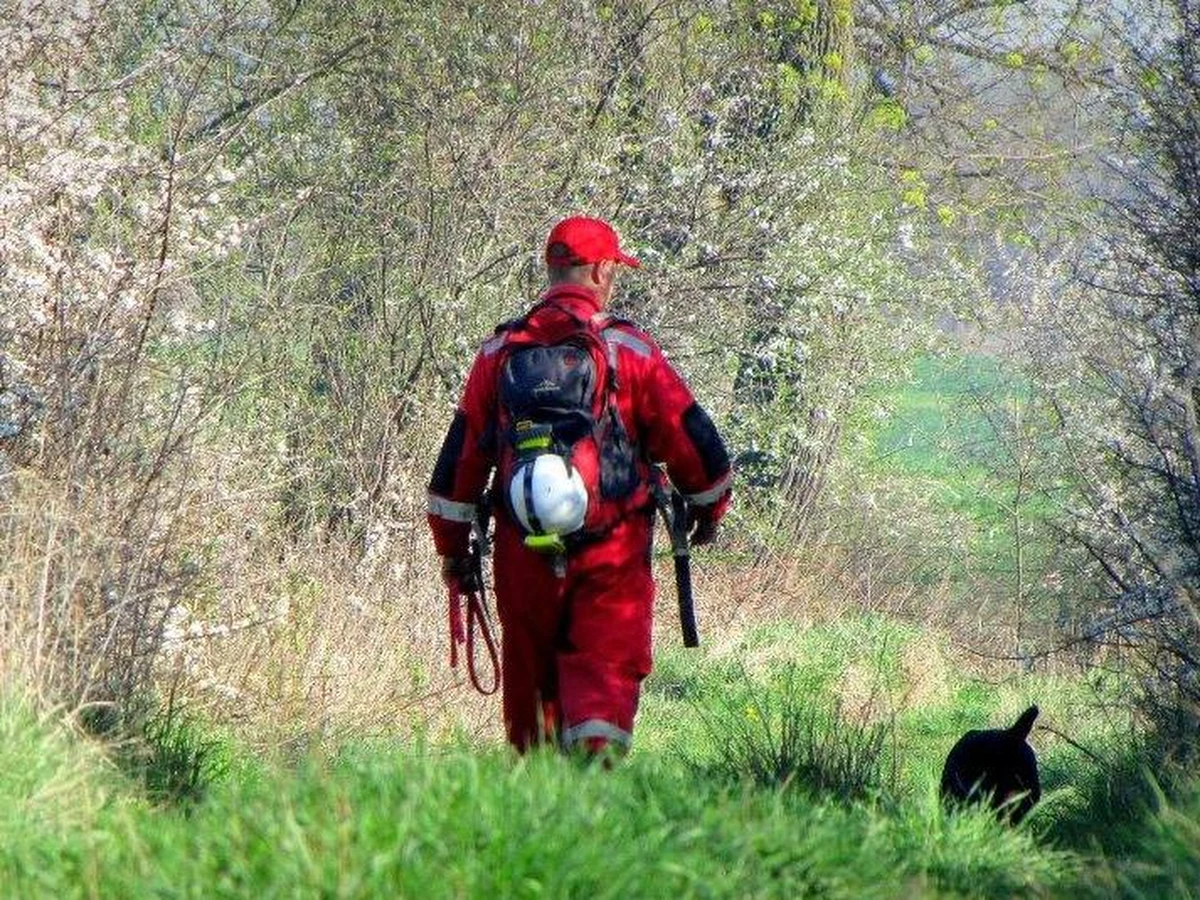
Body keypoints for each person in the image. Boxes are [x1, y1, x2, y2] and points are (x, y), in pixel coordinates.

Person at [426, 215, 732, 756]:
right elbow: (692, 439)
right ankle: (593, 790)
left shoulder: (498, 353)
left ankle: (539, 797)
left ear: (551, 269)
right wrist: (710, 508)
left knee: (531, 690)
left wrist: (452, 551)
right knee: (603, 676)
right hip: (610, 556)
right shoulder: (628, 350)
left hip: (523, 555)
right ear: (600, 270)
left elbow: (458, 463)